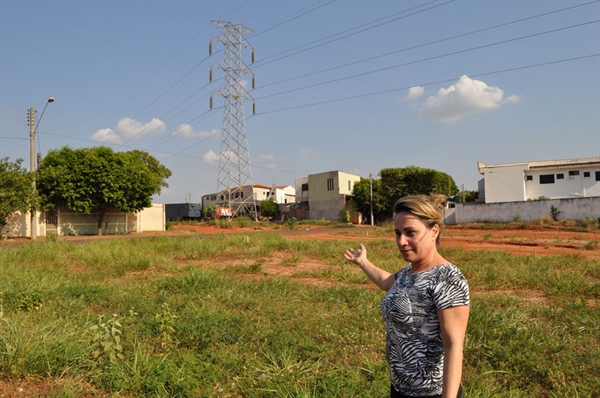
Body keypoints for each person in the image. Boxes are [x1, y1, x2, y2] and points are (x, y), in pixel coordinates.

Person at [344, 194, 470, 398]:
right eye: (398, 233)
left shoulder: (447, 278)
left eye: (410, 232)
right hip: (400, 388)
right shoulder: (408, 272)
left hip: (431, 393)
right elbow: (386, 282)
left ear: (434, 231)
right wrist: (363, 262)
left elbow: (453, 345)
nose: (402, 242)